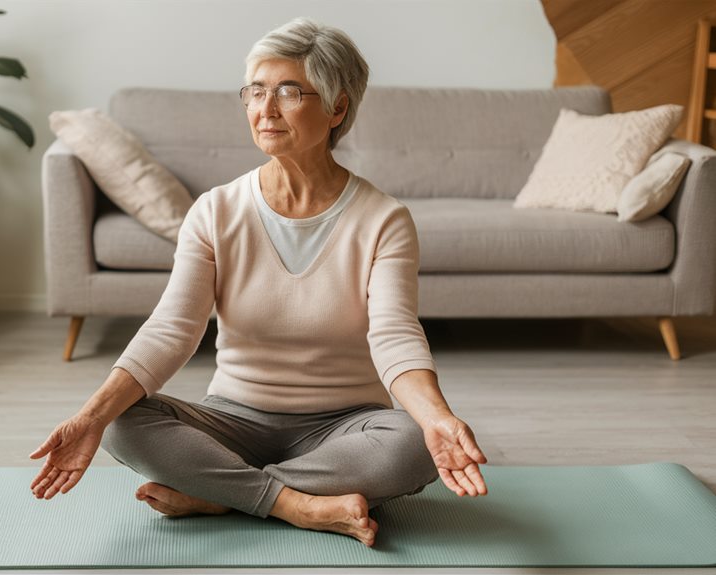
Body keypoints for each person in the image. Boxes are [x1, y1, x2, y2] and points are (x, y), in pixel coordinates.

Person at [30, 17, 487, 548]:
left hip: (344, 427)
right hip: (233, 421)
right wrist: (88, 417)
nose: (265, 109)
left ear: (338, 108)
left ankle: (219, 494)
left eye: (290, 91)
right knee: (118, 422)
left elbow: (394, 336)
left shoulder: (383, 219)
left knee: (410, 444)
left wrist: (437, 418)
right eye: (255, 91)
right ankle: (297, 504)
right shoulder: (215, 211)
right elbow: (171, 331)